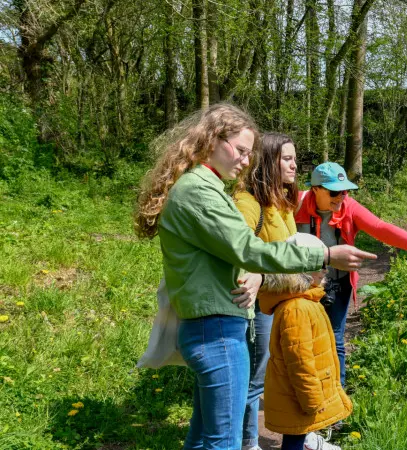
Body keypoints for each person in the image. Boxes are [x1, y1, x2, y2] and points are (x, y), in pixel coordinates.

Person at [133, 104, 375, 450]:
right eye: (241, 150)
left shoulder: (204, 187)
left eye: (250, 153)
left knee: (204, 438)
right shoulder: (200, 192)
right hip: (216, 331)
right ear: (212, 140)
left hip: (212, 326)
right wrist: (323, 254)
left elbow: (232, 251)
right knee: (224, 442)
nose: (246, 161)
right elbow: (249, 249)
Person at [295, 162, 407, 387]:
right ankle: (306, 392)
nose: (341, 197)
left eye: (345, 191)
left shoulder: (348, 207)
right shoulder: (294, 204)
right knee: (304, 340)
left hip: (338, 284)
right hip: (302, 286)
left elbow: (382, 229)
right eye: (334, 192)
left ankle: (337, 397)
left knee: (335, 339)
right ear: (316, 189)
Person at [233, 133, 300, 450]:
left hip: (288, 303)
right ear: (269, 161)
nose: (294, 165)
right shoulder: (247, 204)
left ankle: (300, 435)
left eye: (295, 158)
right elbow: (236, 251)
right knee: (256, 377)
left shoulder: (284, 203)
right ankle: (247, 441)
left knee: (289, 373)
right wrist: (257, 274)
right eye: (287, 158)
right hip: (261, 307)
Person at [260, 233, 352, 450]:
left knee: (297, 439)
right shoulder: (297, 308)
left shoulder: (307, 300)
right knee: (293, 442)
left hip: (298, 396)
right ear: (300, 268)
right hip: (298, 397)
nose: (325, 271)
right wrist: (312, 398)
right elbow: (299, 360)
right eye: (320, 265)